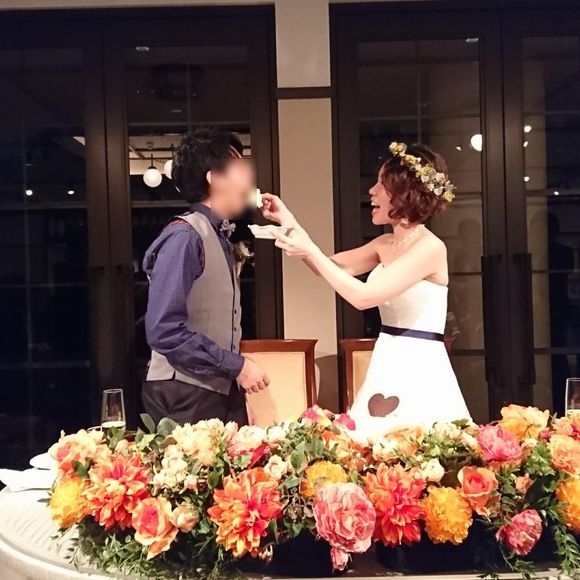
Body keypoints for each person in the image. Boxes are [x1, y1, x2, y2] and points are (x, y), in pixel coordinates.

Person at [262, 142, 470, 435]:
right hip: (387, 355)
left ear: (404, 192)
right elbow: (328, 267)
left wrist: (309, 250)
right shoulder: (384, 244)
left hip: (420, 363)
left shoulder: (430, 248)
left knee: (416, 442)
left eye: (382, 184)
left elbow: (364, 297)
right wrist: (288, 220)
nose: (372, 191)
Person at [142, 128, 269, 426]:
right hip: (183, 394)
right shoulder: (185, 236)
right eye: (240, 168)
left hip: (213, 391)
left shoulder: (217, 235)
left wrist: (234, 396)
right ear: (215, 178)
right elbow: (164, 330)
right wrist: (238, 367)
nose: (250, 177)